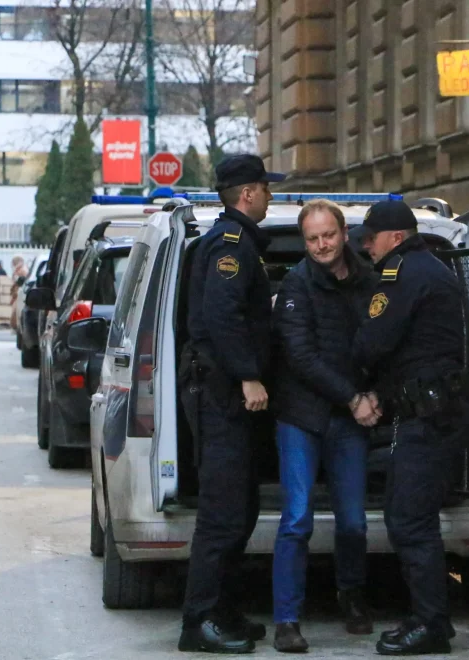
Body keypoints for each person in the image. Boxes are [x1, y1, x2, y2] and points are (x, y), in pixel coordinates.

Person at [351, 200, 469, 655]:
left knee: (410, 521)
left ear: (396, 237)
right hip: (432, 412)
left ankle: (430, 625)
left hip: (429, 417)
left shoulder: (401, 273)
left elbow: (374, 342)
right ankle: (428, 618)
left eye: (372, 238)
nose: (367, 246)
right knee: (408, 517)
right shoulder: (429, 267)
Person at [177, 154, 286, 654]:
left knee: (241, 510)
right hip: (221, 394)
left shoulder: (240, 242)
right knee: (222, 515)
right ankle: (198, 622)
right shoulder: (230, 244)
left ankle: (222, 610)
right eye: (266, 188)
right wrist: (248, 376)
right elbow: (222, 318)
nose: (270, 196)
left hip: (226, 397)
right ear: (248, 193)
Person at [269, 199, 380, 652]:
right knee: (297, 518)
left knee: (353, 522)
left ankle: (351, 596)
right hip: (302, 416)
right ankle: (286, 619)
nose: (321, 245)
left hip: (350, 420)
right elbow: (300, 356)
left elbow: (384, 343)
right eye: (312, 238)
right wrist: (354, 398)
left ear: (345, 234)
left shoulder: (370, 281)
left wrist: (377, 395)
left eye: (328, 235)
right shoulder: (296, 285)